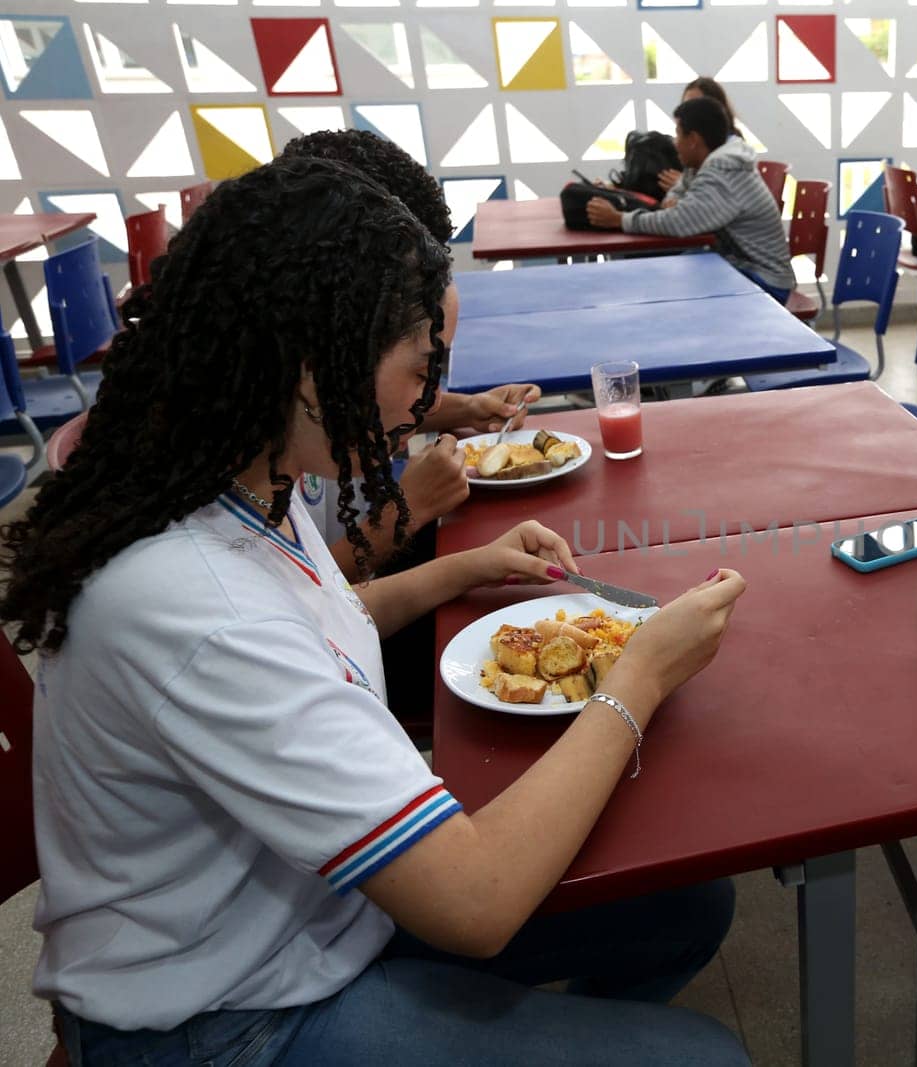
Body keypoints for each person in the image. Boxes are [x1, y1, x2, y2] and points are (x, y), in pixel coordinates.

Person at [2, 156, 751, 1066]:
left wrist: (468, 565)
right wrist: (640, 672)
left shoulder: (244, 485)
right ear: (311, 366)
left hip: (322, 911)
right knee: (703, 1057)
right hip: (223, 1020)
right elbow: (477, 902)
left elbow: (315, 619)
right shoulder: (194, 601)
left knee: (686, 904)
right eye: (420, 364)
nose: (432, 394)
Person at [280, 129, 539, 575]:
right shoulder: (251, 475)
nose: (430, 401)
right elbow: (313, 605)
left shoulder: (307, 401)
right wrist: (407, 510)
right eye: (422, 374)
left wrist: (470, 407)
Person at [587, 96, 796, 302]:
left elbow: (678, 223)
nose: (675, 143)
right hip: (738, 264)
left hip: (765, 280)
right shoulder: (700, 164)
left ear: (694, 140)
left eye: (678, 135)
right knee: (678, 270)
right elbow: (677, 193)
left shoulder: (723, 170)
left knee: (673, 282)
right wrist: (676, 204)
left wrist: (619, 219)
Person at [658, 77, 742, 194]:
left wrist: (683, 186)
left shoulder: (731, 153)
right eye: (686, 105)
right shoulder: (690, 146)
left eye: (697, 105)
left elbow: (713, 196)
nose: (688, 111)